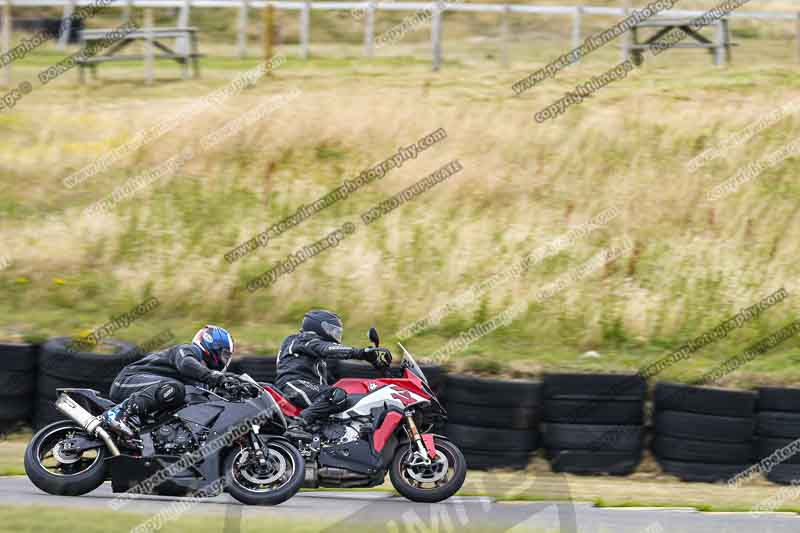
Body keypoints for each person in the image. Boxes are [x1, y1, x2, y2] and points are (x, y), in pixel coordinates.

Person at [101, 325, 239, 438]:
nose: (225, 360)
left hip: (151, 391)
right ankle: (118, 413)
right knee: (175, 388)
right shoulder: (188, 350)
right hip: (128, 381)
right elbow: (186, 364)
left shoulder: (202, 381)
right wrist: (215, 377)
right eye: (224, 354)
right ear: (212, 344)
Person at [276, 310, 391, 438]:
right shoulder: (302, 340)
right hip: (294, 385)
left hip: (304, 385)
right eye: (332, 330)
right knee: (335, 395)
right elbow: (326, 349)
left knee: (342, 394)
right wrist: (363, 353)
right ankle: (297, 425)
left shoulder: (313, 357)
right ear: (318, 327)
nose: (335, 335)